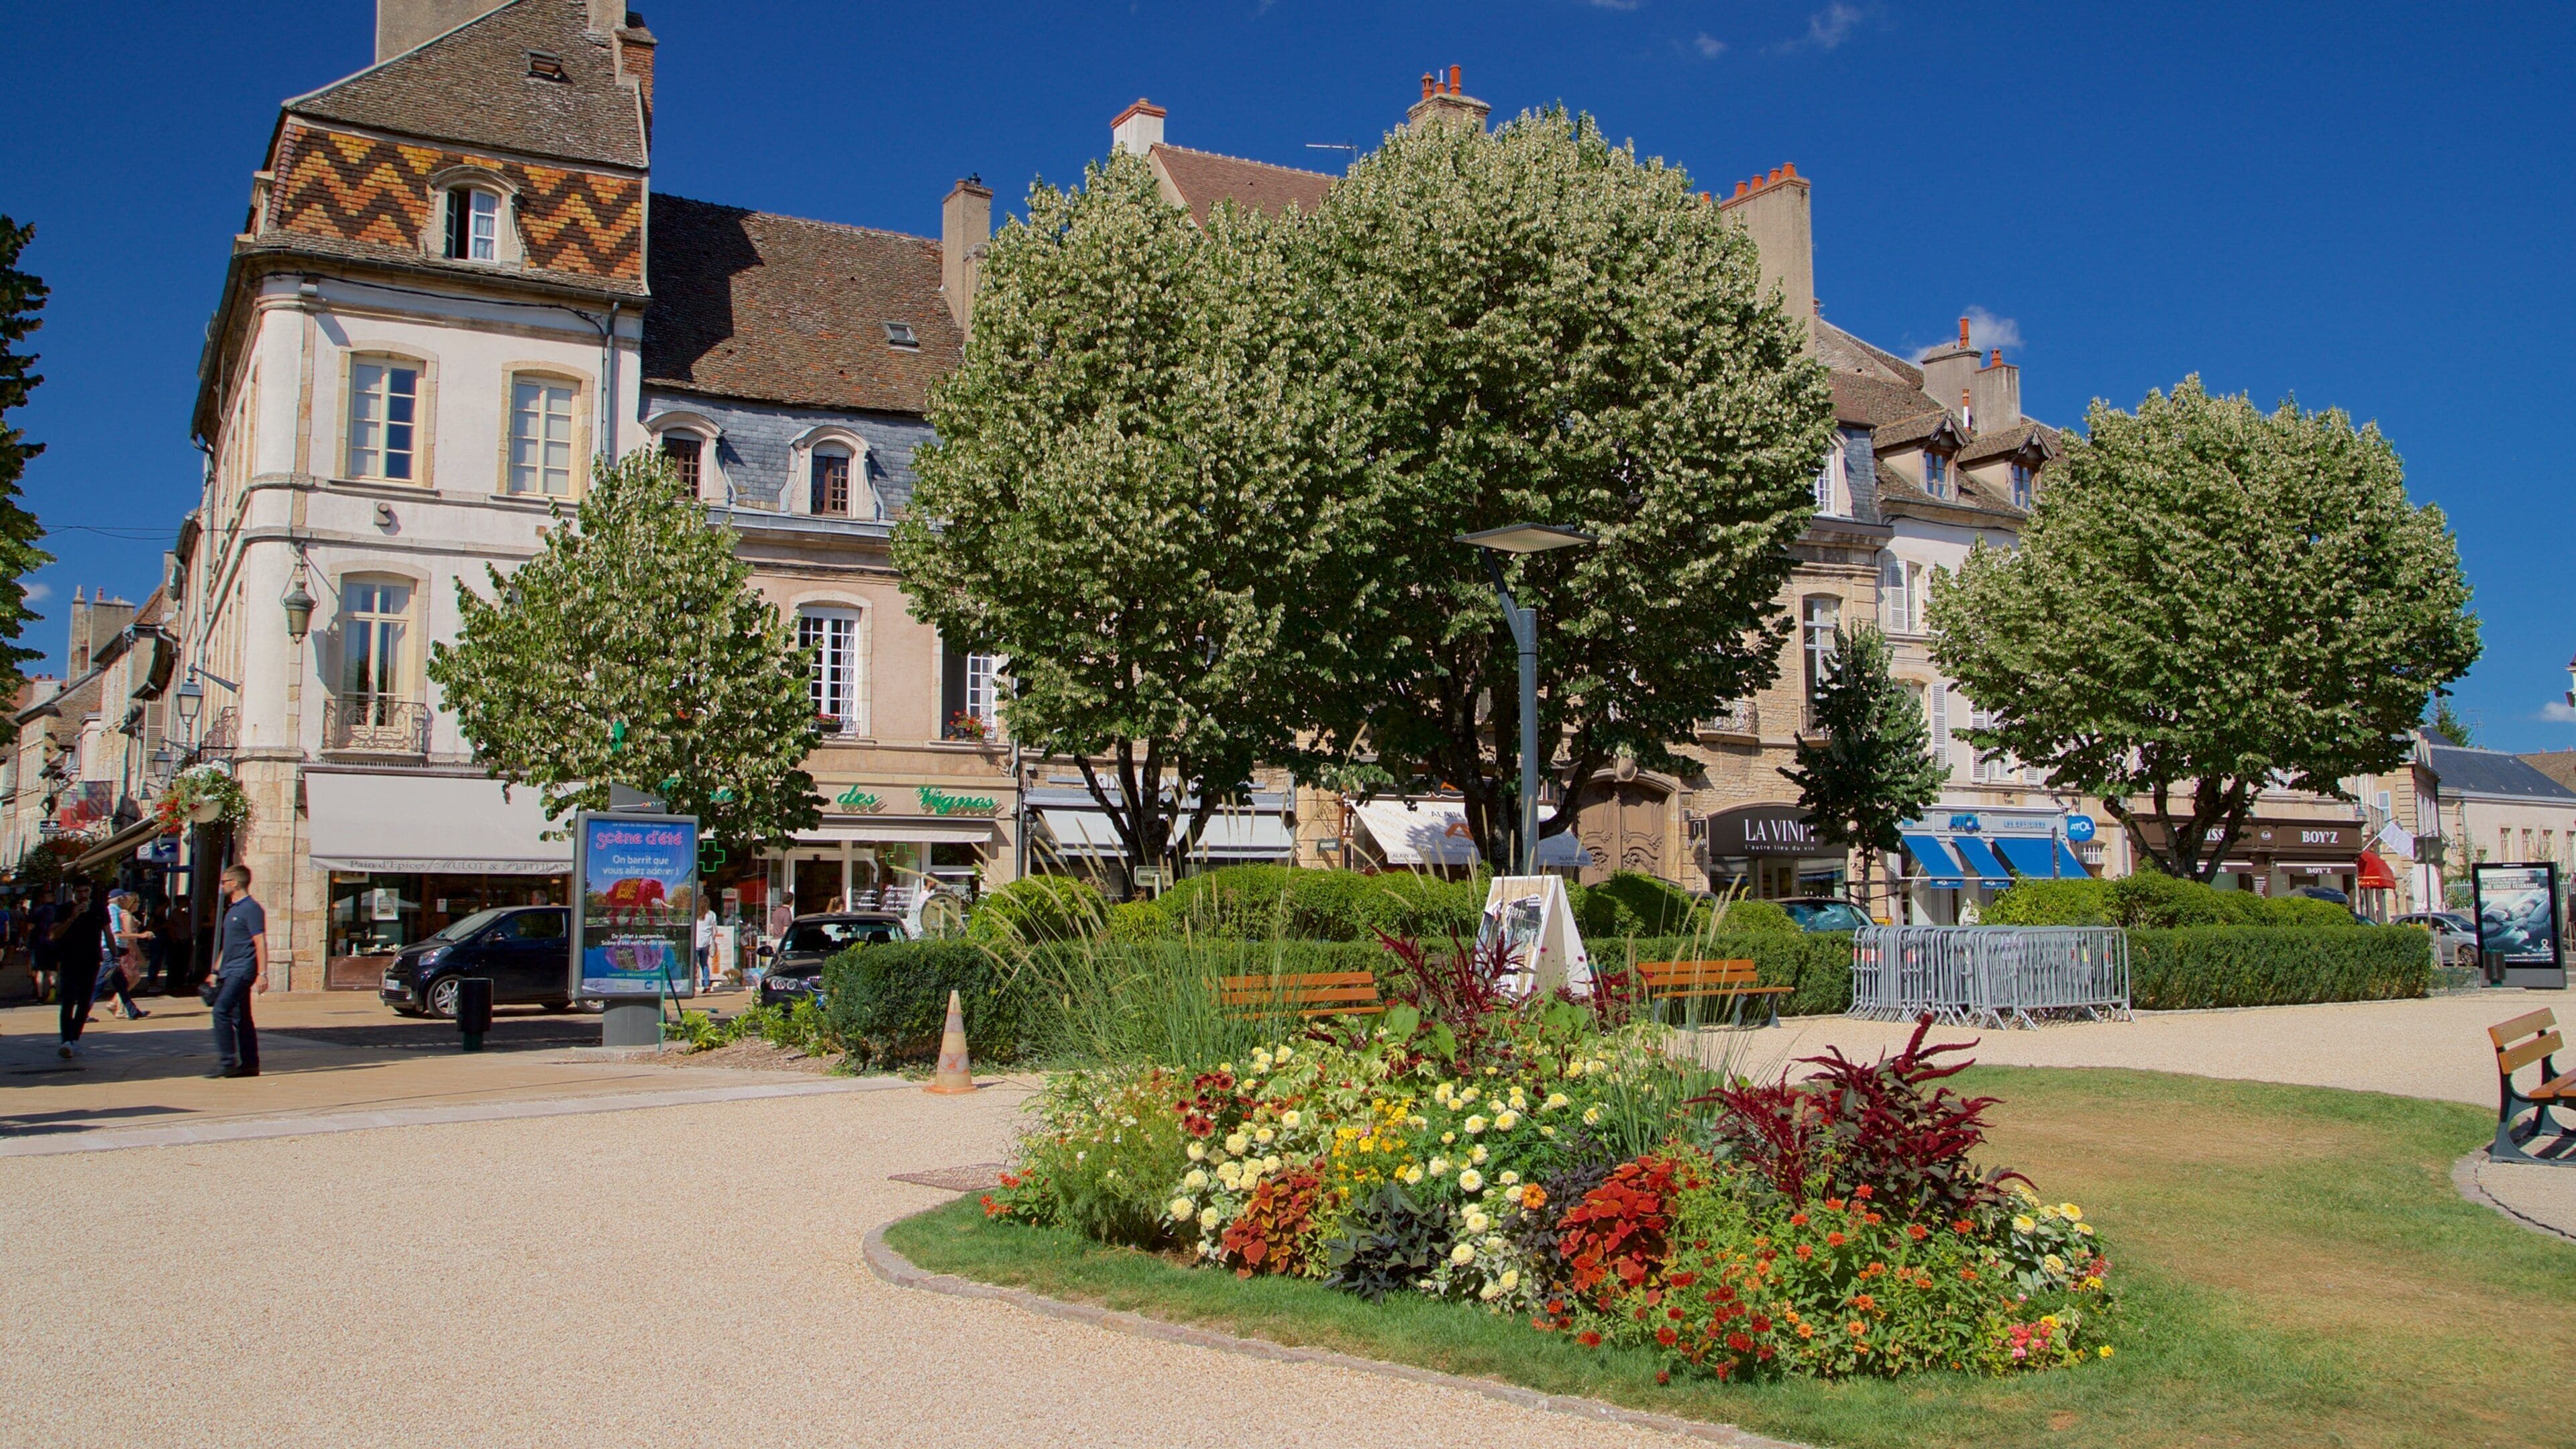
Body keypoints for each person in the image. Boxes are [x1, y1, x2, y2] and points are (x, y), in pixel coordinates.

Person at [207, 863, 266, 1079]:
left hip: (242, 970)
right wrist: (215, 970)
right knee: (241, 1018)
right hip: (229, 969)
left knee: (220, 1010)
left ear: (235, 883)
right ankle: (250, 1064)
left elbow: (260, 942)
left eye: (224, 882)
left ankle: (227, 1062)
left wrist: (262, 974)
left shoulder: (251, 908)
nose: (222, 886)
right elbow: (229, 944)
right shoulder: (233, 910)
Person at [53, 885, 106, 1059]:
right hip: (69, 960)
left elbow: (107, 931)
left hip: (91, 960)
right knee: (68, 1001)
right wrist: (73, 917)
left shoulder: (98, 909)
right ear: (73, 892)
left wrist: (114, 953)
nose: (83, 895)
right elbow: (54, 934)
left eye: (86, 891)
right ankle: (66, 1041)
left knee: (85, 1001)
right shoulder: (64, 910)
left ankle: (75, 1039)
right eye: (79, 891)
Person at [95, 890, 150, 1020]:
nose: (138, 904)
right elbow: (118, 934)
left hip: (117, 950)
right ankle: (85, 1009)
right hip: (114, 950)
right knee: (101, 982)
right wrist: (141, 936)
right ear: (121, 899)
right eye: (137, 901)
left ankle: (131, 1011)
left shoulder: (118, 911)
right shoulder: (116, 912)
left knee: (121, 983)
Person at [693, 899, 717, 993]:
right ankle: (707, 985)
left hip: (695, 942)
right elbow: (715, 930)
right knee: (704, 964)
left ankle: (692, 986)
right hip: (706, 943)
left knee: (693, 965)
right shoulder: (711, 914)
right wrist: (712, 939)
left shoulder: (695, 914)